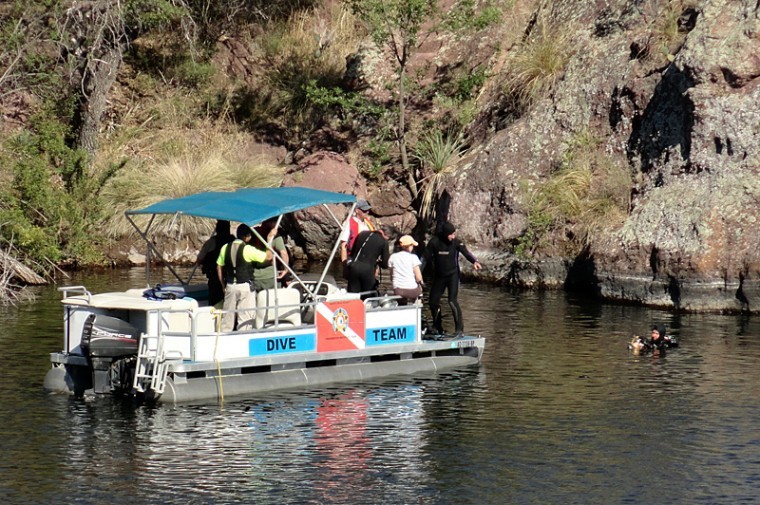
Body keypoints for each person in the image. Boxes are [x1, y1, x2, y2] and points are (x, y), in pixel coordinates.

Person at [423, 221, 482, 336]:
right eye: (451, 234)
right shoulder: (434, 242)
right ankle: (438, 326)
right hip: (439, 276)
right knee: (433, 302)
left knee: (452, 301)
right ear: (445, 234)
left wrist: (474, 261)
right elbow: (424, 258)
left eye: (454, 234)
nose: (453, 236)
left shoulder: (456, 243)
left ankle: (459, 329)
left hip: (452, 276)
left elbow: (466, 252)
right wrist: (418, 273)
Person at [216, 224, 275, 331]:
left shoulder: (225, 247)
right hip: (245, 287)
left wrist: (222, 285)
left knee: (227, 319)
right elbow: (269, 256)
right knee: (245, 320)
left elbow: (219, 267)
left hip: (230, 286)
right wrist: (269, 240)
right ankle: (243, 337)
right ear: (247, 237)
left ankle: (224, 339)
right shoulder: (248, 249)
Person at [339, 199, 383, 277]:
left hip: (369, 261)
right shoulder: (349, 223)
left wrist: (376, 266)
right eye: (364, 210)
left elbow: (374, 246)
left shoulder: (368, 224)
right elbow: (343, 246)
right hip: (353, 260)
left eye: (368, 210)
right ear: (357, 210)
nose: (367, 212)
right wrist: (345, 267)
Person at [196, 220, 234, 308]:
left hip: (215, 278)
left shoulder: (212, 242)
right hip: (232, 277)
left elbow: (199, 259)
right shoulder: (233, 241)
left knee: (214, 301)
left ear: (217, 229)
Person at [346, 229, 389, 299]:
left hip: (353, 267)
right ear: (386, 236)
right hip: (367, 270)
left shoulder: (362, 233)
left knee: (352, 296)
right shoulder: (384, 241)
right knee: (368, 297)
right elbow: (385, 264)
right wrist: (378, 262)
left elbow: (352, 253)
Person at [251, 217, 290, 292]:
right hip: (270, 276)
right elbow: (283, 253)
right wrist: (286, 270)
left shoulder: (254, 232)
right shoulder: (274, 236)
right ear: (272, 223)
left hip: (254, 275)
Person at [388, 235, 424, 305]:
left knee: (401, 300)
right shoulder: (413, 257)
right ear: (409, 246)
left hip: (398, 290)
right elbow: (419, 278)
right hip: (412, 291)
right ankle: (416, 309)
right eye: (412, 245)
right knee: (419, 294)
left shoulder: (392, 257)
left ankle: (401, 308)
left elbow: (391, 277)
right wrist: (421, 286)